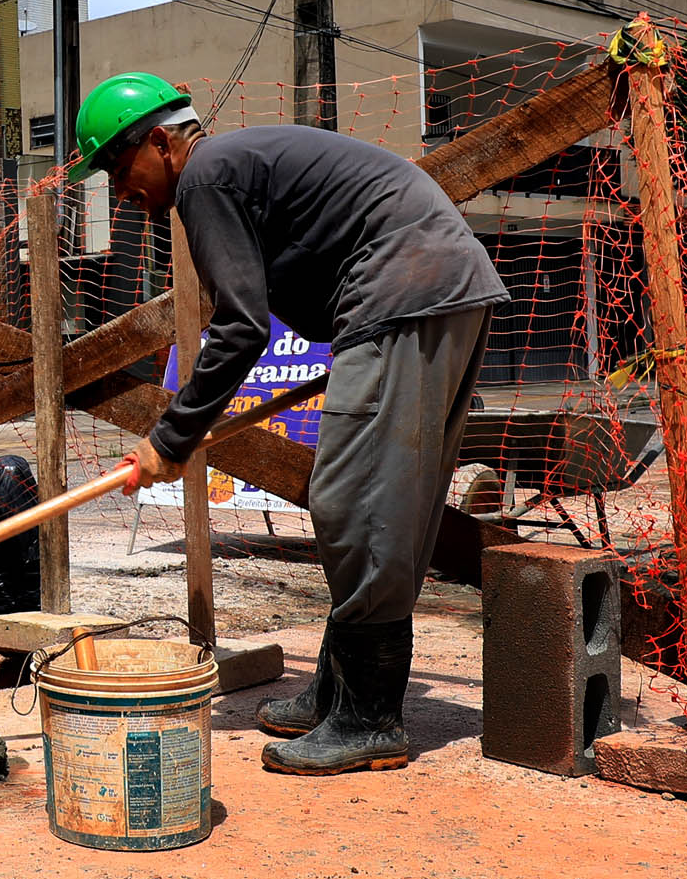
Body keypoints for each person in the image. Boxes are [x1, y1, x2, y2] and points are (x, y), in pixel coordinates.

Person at [73, 72, 506, 776]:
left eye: (119, 168)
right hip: (419, 292)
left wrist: (169, 440)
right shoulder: (233, 168)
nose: (121, 190)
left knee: (358, 503)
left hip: (405, 295)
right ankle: (341, 692)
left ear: (158, 141)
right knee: (361, 497)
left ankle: (369, 720)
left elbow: (238, 331)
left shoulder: (203, 179)